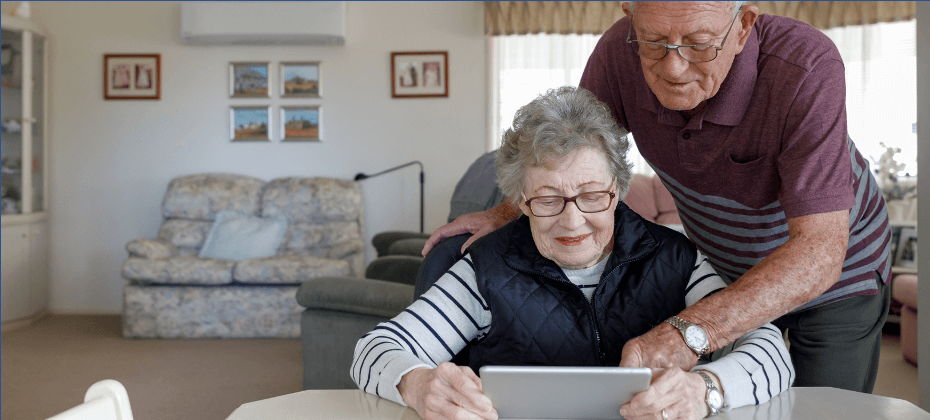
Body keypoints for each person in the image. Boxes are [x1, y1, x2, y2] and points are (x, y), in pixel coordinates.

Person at [423, 1, 890, 393]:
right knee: (728, 398)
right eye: (654, 42)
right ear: (631, 19)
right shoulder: (617, 52)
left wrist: (688, 334)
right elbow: (565, 151)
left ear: (743, 25)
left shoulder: (806, 67)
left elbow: (821, 250)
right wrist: (508, 211)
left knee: (824, 408)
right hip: (728, 271)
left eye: (699, 44)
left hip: (835, 274)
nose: (672, 67)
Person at [353, 86, 793, 420]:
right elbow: (375, 349)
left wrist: (705, 390)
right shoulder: (484, 269)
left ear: (618, 190)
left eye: (591, 195)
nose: (572, 220)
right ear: (520, 200)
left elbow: (772, 353)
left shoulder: (676, 259)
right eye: (547, 199)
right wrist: (417, 382)